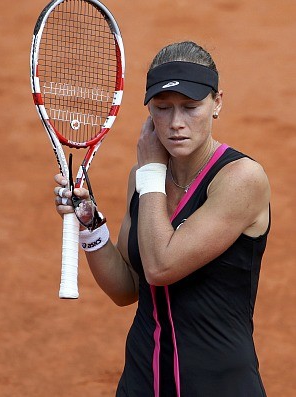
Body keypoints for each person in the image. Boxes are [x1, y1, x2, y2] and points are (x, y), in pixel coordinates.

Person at [54, 41, 270, 396]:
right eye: (162, 108)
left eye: (190, 107)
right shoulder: (144, 180)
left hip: (219, 384)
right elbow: (127, 287)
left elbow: (161, 267)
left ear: (217, 104)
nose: (175, 124)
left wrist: (152, 169)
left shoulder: (241, 179)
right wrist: (89, 223)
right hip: (143, 378)